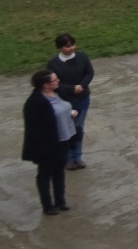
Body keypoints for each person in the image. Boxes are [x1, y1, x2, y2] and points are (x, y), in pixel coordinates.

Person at [22, 69, 74, 215]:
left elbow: (64, 108)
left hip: (63, 140)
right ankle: (47, 205)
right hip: (47, 146)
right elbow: (34, 129)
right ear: (45, 84)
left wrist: (72, 112)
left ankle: (60, 201)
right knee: (45, 175)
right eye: (55, 80)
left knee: (59, 172)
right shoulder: (35, 103)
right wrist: (44, 148)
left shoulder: (58, 92)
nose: (58, 81)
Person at [47, 33, 94, 170]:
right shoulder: (53, 64)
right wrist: (72, 88)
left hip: (83, 98)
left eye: (72, 45)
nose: (71, 48)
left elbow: (89, 73)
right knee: (67, 129)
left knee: (78, 127)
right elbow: (54, 83)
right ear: (60, 48)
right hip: (64, 100)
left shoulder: (82, 57)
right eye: (67, 47)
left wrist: (82, 86)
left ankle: (77, 157)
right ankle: (67, 158)